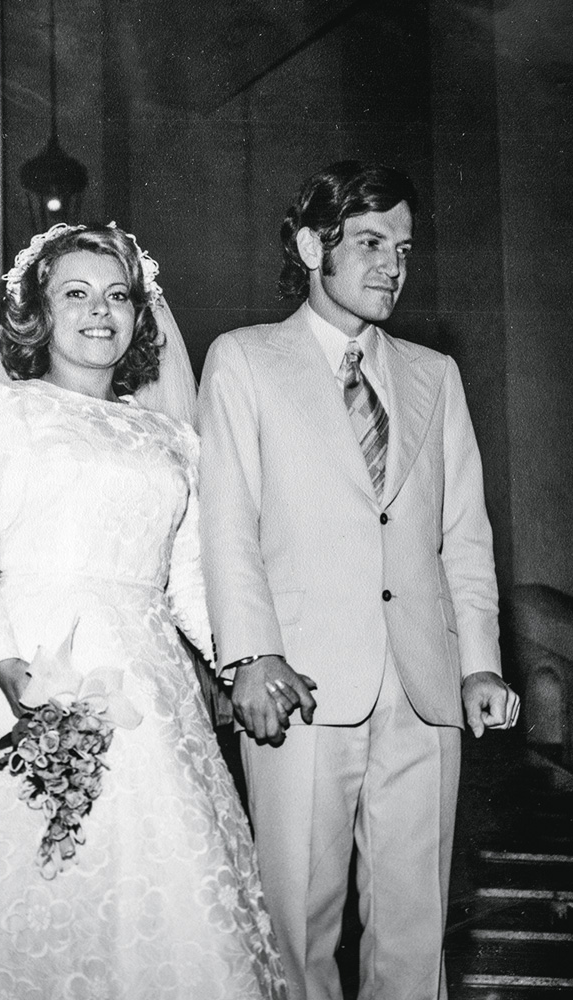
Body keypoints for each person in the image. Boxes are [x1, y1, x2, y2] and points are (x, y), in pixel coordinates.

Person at [0, 223, 286, 1000]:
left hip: (149, 686)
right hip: (26, 671)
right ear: (37, 314)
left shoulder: (171, 441)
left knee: (162, 889)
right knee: (32, 891)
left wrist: (243, 657)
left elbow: (188, 579)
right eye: (77, 294)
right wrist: (3, 661)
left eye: (117, 295)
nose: (101, 312)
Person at [197, 161, 521, 1000]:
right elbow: (226, 525)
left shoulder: (433, 374)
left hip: (423, 688)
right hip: (299, 683)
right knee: (296, 923)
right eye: (370, 243)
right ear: (313, 246)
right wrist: (251, 657)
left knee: (417, 934)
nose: (392, 266)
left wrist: (479, 662)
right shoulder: (244, 361)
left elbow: (463, 537)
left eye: (404, 248)